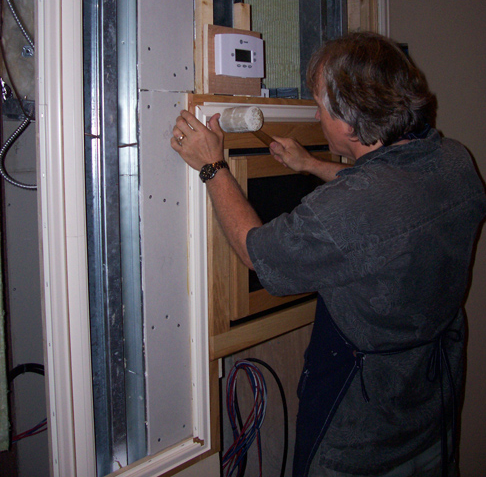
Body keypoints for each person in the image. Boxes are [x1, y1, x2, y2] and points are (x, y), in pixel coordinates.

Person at [171, 31, 486, 477]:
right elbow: (391, 197)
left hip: (363, 433)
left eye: (320, 105)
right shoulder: (454, 161)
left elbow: (257, 252)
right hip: (432, 405)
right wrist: (313, 165)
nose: (317, 115)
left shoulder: (350, 210)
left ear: (349, 121)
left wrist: (212, 165)